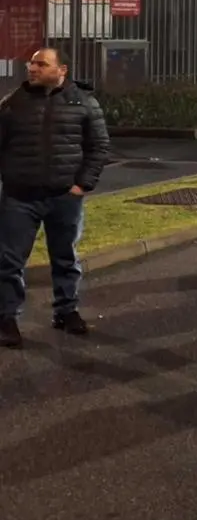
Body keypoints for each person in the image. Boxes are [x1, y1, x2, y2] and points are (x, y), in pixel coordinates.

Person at [0, 46, 110, 347]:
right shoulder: (13, 104)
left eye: (41, 64)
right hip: (19, 198)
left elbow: (99, 148)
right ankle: (7, 318)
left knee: (65, 258)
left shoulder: (84, 103)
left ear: (62, 70)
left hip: (64, 197)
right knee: (9, 261)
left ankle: (66, 311)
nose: (32, 68)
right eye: (31, 64)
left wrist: (81, 186)